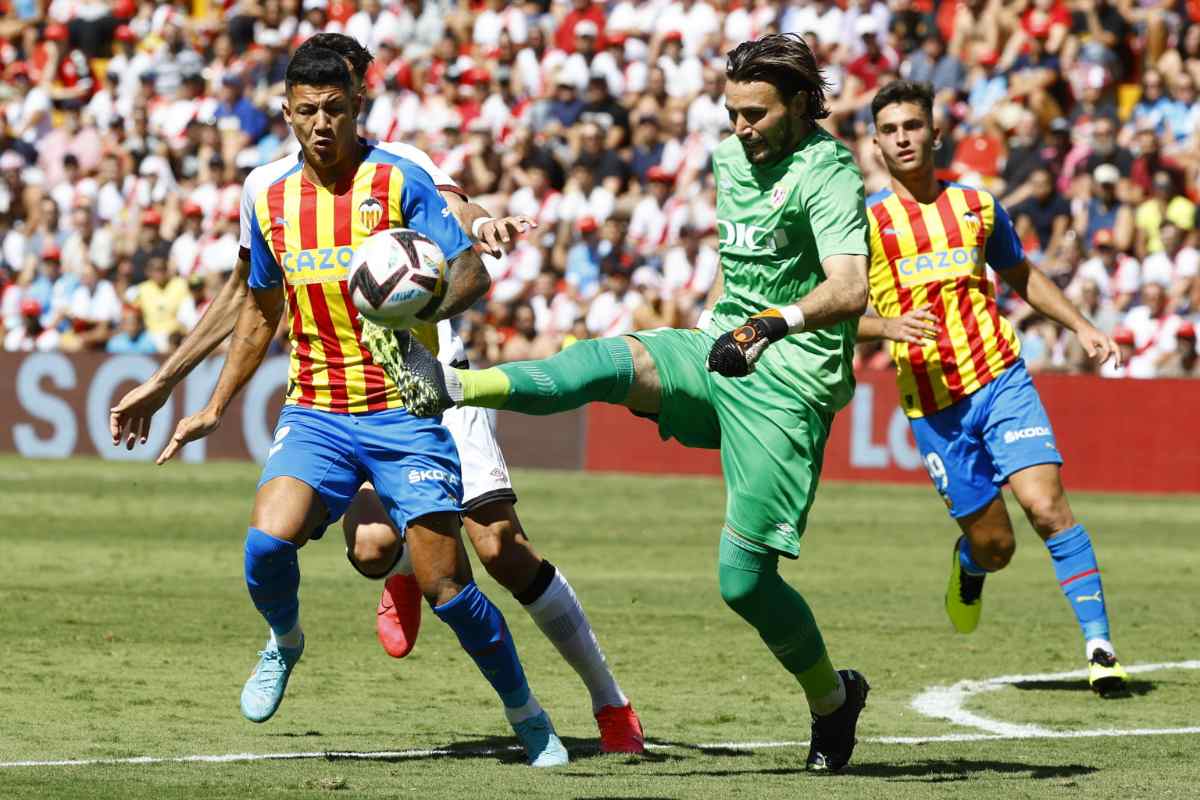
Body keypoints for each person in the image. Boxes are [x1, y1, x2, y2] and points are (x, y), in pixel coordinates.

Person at [108, 33, 643, 756]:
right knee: (269, 545)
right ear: (287, 112)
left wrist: (418, 305)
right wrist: (205, 400)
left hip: (410, 402)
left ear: (360, 102)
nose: (322, 123)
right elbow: (260, 303)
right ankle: (284, 639)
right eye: (307, 111)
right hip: (318, 408)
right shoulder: (264, 193)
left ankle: (528, 712)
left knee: (461, 577)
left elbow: (471, 266)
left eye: (335, 108)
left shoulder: (400, 176)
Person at [377, 33, 871, 772]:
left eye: (757, 115)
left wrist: (768, 326)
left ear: (802, 104)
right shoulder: (731, 157)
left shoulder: (829, 173)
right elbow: (745, 267)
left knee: (743, 583)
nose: (740, 129)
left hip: (788, 387)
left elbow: (850, 289)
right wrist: (718, 323)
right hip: (719, 352)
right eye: (732, 112)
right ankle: (454, 386)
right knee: (605, 361)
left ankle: (833, 700)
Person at [858, 80, 1129, 696]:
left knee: (1046, 507)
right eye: (891, 129)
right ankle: (969, 564)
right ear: (876, 144)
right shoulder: (866, 223)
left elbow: (1021, 274)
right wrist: (885, 326)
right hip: (933, 407)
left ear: (934, 133)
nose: (903, 137)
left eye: (913, 126)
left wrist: (1083, 326)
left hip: (1000, 376)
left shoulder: (977, 205)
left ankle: (1100, 646)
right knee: (996, 544)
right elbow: (839, 311)